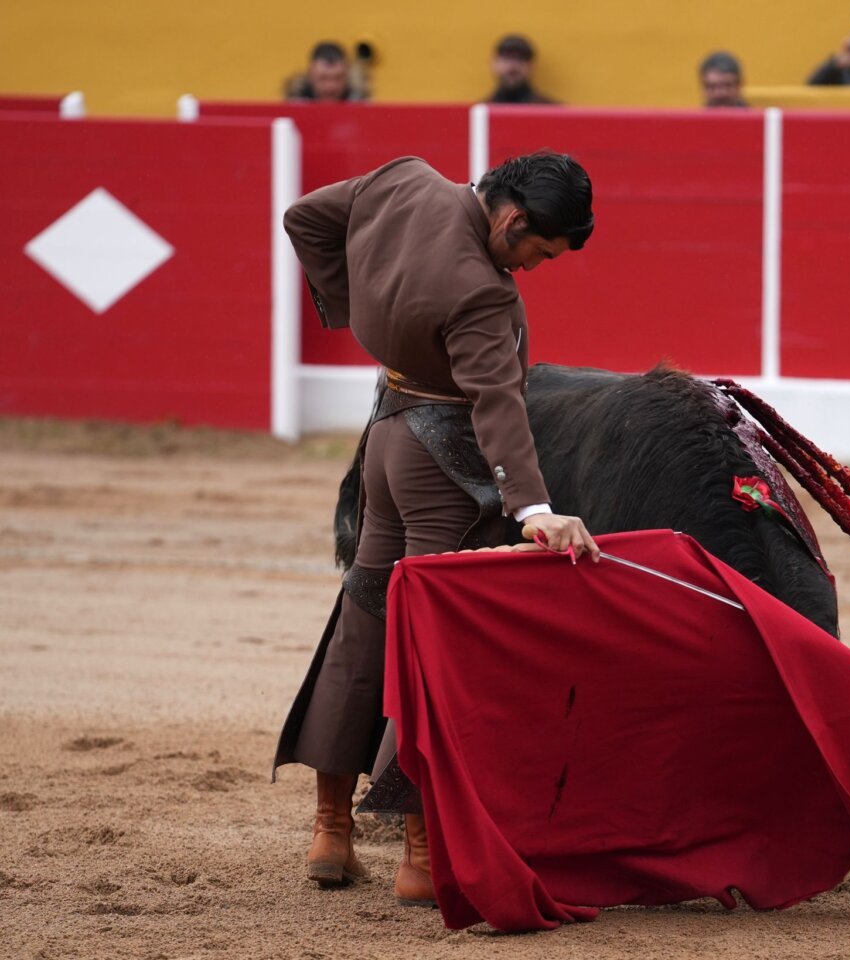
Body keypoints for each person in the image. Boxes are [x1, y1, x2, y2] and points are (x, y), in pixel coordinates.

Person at [274, 152, 600, 903]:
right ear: (512, 219)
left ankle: (332, 831)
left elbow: (306, 218)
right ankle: (420, 858)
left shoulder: (402, 181)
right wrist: (534, 509)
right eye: (539, 253)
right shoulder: (483, 294)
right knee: (430, 646)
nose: (535, 268)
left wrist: (363, 312)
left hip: (384, 435)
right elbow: (497, 406)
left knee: (365, 621)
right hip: (441, 465)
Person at [285, 41, 369, 101]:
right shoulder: (295, 106)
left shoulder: (361, 105)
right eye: (323, 78)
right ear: (310, 75)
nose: (331, 86)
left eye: (338, 78)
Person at [486, 34, 557, 104]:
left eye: (520, 59)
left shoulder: (552, 112)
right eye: (507, 58)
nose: (513, 65)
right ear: (494, 64)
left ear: (531, 67)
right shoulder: (480, 112)